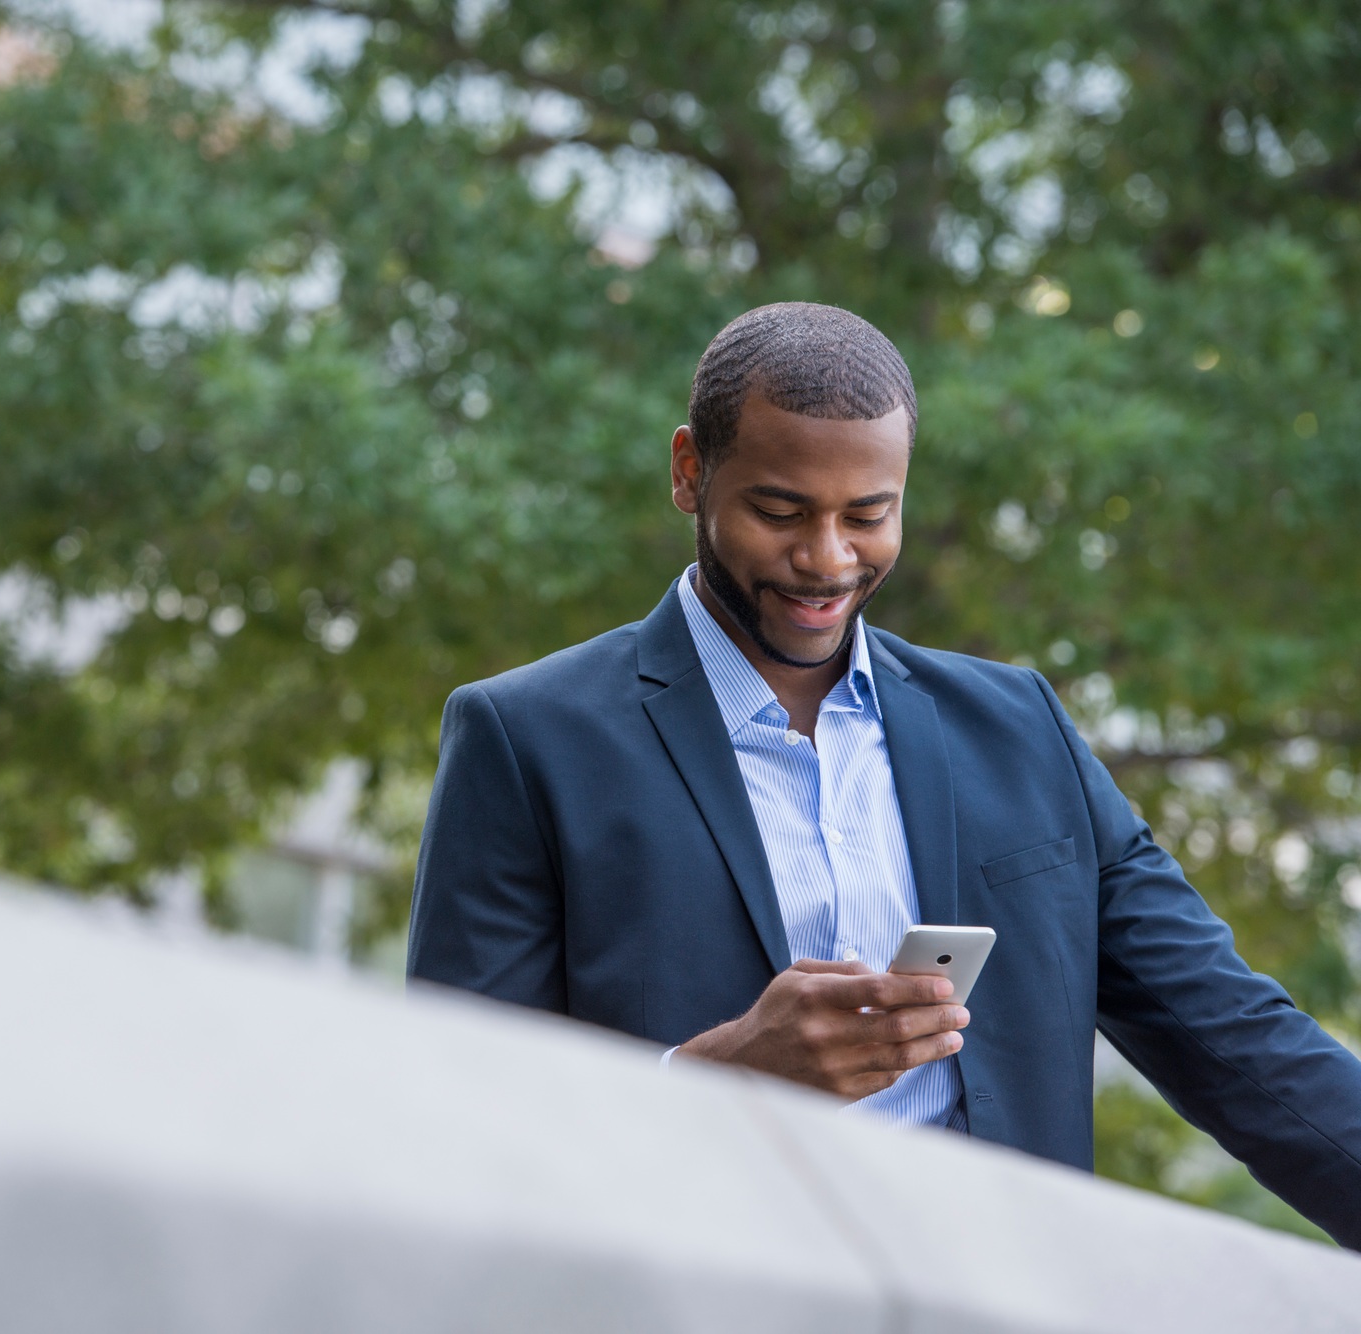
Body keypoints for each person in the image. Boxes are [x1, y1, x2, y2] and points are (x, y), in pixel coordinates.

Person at [407, 302, 1361, 1246]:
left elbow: (1235, 1038)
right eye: (780, 512)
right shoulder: (526, 737)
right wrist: (714, 1079)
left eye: (869, 515)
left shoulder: (1021, 729)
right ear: (690, 471)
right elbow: (464, 1117)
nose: (827, 559)